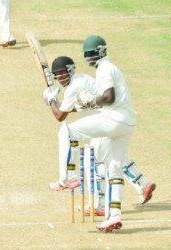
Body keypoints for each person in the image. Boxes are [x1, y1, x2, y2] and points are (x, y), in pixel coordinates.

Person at [43, 34, 137, 232]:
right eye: (87, 54)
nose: (89, 57)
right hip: (128, 122)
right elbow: (105, 97)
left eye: (91, 54)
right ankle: (114, 216)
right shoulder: (109, 68)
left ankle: (68, 177)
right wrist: (87, 103)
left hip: (114, 118)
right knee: (114, 169)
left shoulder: (104, 68)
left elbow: (108, 97)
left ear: (101, 52)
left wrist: (87, 102)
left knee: (67, 131)